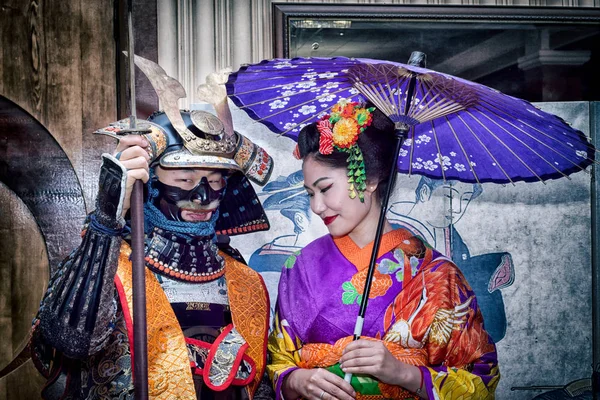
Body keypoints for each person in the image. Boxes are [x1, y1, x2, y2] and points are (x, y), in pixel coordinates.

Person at [29, 77, 276, 399]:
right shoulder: (113, 265)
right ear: (151, 182)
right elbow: (72, 340)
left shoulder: (242, 279)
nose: (203, 196)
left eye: (214, 181)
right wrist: (106, 218)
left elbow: (258, 380)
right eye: (185, 178)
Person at [267, 99, 500, 399]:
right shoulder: (301, 265)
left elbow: (481, 380)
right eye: (310, 193)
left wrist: (402, 373)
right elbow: (278, 361)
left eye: (325, 189)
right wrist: (296, 381)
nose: (316, 206)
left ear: (371, 180)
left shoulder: (438, 275)